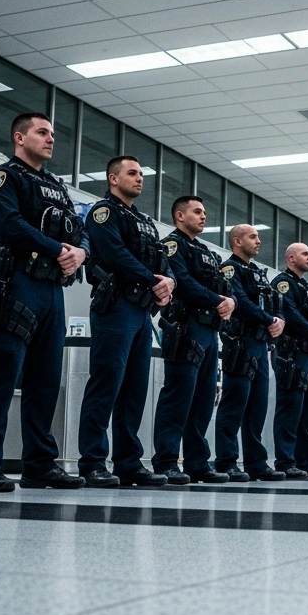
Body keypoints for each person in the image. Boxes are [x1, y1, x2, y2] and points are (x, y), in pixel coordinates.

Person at [0, 113, 88, 493]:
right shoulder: (4, 177)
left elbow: (79, 230)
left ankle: (39, 464)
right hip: (16, 282)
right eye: (42, 132)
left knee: (46, 381)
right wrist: (58, 250)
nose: (50, 139)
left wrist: (81, 253)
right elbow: (9, 225)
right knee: (1, 375)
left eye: (52, 133)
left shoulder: (55, 186)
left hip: (53, 291)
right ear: (19, 137)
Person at [77, 156, 174, 488]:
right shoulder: (103, 213)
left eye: (141, 173)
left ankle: (128, 461)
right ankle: (91, 461)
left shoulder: (144, 221)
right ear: (113, 178)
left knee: (134, 390)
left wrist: (169, 282)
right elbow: (116, 254)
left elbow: (162, 258)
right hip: (115, 306)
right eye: (132, 173)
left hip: (141, 311)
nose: (139, 178)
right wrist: (154, 280)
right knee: (106, 385)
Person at [151, 196, 235, 485]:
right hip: (185, 326)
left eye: (204, 212)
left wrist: (230, 301)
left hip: (209, 330)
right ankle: (165, 460)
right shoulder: (173, 245)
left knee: (202, 401)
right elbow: (183, 282)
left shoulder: (207, 252)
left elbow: (222, 287)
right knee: (178, 397)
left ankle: (198, 462)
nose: (203, 216)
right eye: (197, 212)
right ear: (179, 216)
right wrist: (217, 301)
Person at [213, 224, 285, 482]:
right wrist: (270, 320)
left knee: (257, 407)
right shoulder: (229, 268)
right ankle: (226, 460)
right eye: (252, 237)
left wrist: (278, 320)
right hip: (240, 342)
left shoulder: (257, 272)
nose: (258, 241)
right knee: (235, 404)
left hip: (261, 344)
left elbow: (274, 303)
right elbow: (240, 301)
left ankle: (256, 462)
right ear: (237, 241)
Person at [271, 243, 308, 479]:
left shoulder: (306, 287)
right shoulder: (282, 283)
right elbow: (292, 315)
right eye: (305, 253)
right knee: (290, 409)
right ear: (291, 258)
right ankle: (285, 461)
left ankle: (306, 459)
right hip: (291, 354)